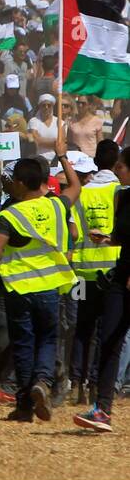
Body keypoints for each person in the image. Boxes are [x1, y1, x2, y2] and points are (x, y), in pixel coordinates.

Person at [0, 152, 80, 422]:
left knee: (24, 344)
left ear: (19, 184)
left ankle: (25, 405)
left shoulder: (10, 214)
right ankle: (43, 381)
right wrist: (63, 157)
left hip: (18, 288)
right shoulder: (57, 206)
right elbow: (76, 187)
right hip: (50, 286)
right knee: (49, 338)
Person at [75, 144, 130, 431]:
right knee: (109, 339)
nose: (116, 169)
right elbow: (124, 237)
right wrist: (108, 238)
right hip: (118, 278)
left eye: (121, 165)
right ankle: (102, 409)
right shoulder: (122, 196)